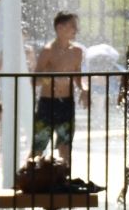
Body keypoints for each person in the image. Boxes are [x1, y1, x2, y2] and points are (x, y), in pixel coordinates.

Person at [29, 12, 88, 164]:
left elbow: (78, 77)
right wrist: (52, 79)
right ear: (59, 28)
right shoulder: (48, 51)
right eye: (72, 26)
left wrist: (84, 89)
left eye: (76, 26)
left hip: (66, 104)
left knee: (65, 146)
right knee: (38, 146)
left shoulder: (77, 52)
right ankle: (28, 178)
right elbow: (34, 80)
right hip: (47, 103)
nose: (76, 29)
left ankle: (64, 181)